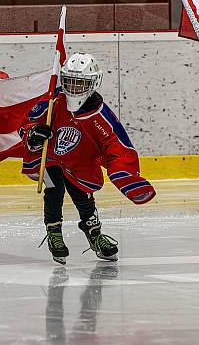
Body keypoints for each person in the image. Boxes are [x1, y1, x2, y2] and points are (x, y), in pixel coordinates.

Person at [22, 52, 155, 264]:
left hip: (80, 163)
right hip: (50, 156)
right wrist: (34, 133)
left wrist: (124, 173)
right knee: (54, 190)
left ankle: (94, 234)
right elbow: (26, 124)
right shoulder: (53, 100)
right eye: (70, 82)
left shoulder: (101, 115)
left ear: (94, 83)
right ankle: (54, 232)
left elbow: (118, 146)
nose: (74, 88)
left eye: (80, 83)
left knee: (83, 196)